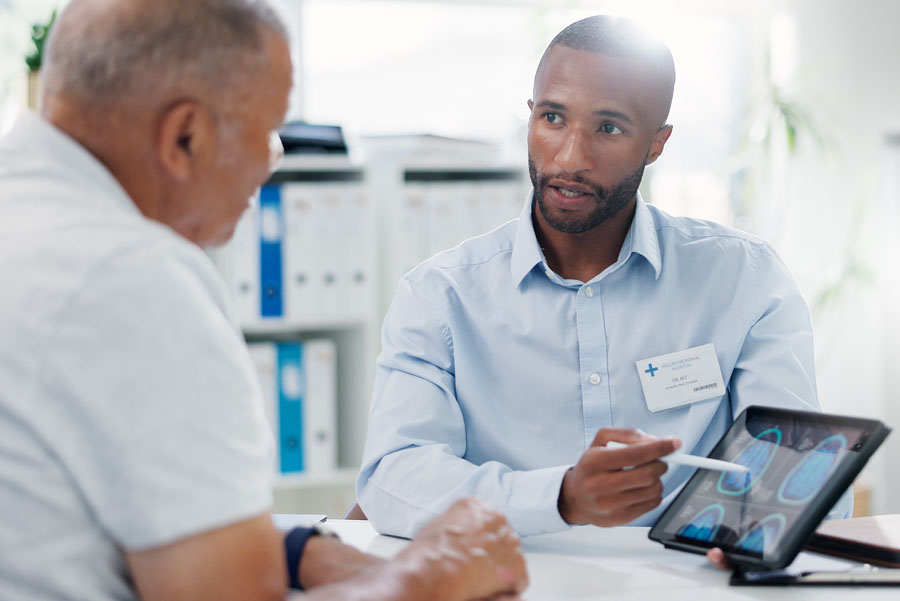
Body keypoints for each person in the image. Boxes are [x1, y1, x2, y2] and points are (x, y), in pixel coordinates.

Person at [0, 1, 528, 600]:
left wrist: (296, 551)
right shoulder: (136, 278)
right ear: (185, 136)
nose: (274, 158)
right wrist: (431, 575)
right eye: (270, 128)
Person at [357, 14, 846, 542]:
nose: (571, 158)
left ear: (656, 144)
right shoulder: (440, 297)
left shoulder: (743, 278)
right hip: (513, 574)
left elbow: (795, 469)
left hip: (688, 576)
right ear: (530, 116)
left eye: (609, 128)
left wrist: (757, 533)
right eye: (553, 118)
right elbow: (393, 476)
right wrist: (561, 497)